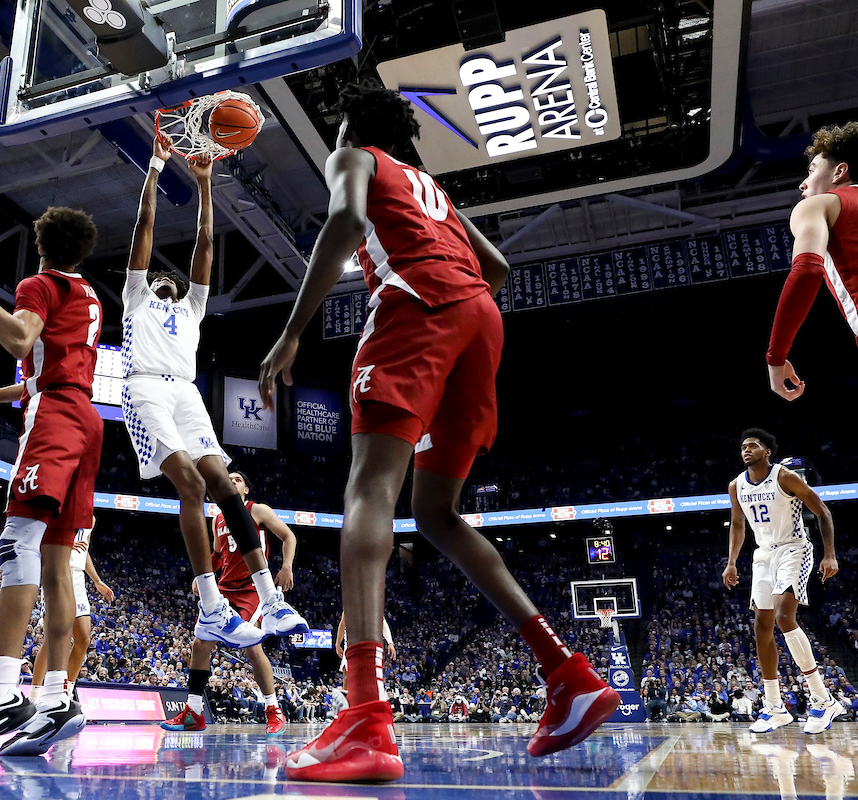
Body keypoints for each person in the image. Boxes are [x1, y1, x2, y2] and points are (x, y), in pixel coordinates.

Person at [259, 84, 618, 782]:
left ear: (353, 132)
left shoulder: (355, 156)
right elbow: (500, 268)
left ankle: (364, 714)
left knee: (369, 490)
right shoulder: (433, 189)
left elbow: (345, 221)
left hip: (415, 304)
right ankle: (567, 673)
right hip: (481, 319)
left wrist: (291, 333)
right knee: (436, 513)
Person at [120, 135, 306, 654]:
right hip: (144, 388)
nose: (163, 281)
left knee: (224, 487)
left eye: (168, 280)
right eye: (156, 278)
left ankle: (270, 599)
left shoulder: (192, 307)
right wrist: (156, 164)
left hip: (186, 392)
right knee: (189, 486)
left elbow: (205, 242)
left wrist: (205, 183)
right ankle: (210, 605)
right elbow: (145, 227)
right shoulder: (135, 298)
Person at [0, 205, 103, 759]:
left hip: (55, 416)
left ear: (41, 246)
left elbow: (19, 339)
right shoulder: (88, 294)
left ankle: (2, 691)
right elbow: (51, 365)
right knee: (59, 565)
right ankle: (57, 698)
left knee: (18, 542)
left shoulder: (39, 283)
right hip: (86, 419)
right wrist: (1, 394)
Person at [722, 428, 846, 734]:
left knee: (784, 617)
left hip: (794, 548)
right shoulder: (736, 485)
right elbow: (737, 524)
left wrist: (829, 555)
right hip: (763, 555)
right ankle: (775, 707)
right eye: (743, 446)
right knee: (761, 627)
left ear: (767, 452)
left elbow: (823, 511)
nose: (746, 450)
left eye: (753, 445)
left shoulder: (785, 477)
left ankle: (823, 698)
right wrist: (732, 561)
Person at [162, 471, 299, 735]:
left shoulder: (256, 509)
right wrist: (202, 576)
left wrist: (287, 566)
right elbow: (217, 555)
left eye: (237, 479)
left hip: (252, 588)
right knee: (200, 643)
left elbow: (289, 536)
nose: (231, 480)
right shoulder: (217, 518)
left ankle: (273, 709)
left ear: (246, 489)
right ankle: (193, 712)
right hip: (224, 587)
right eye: (229, 478)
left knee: (252, 646)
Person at [764, 122, 858, 400]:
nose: (803, 183)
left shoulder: (820, 204)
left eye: (813, 170)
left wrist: (775, 357)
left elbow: (806, 271)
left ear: (840, 171)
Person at [27, 518, 113, 704]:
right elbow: (39, 537)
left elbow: (84, 550)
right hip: (57, 570)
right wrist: (67, 544)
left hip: (77, 576)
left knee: (83, 638)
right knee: (53, 639)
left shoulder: (90, 517)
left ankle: (66, 694)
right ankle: (33, 696)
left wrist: (97, 580)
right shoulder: (59, 509)